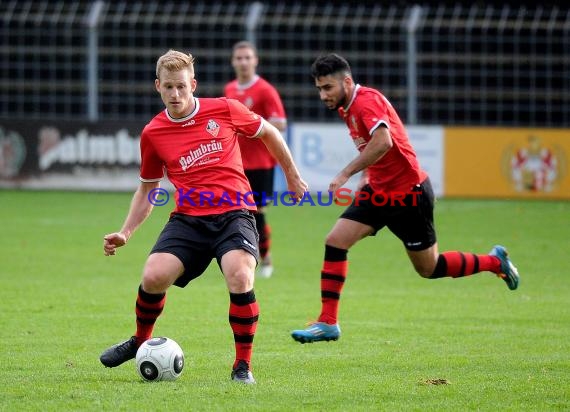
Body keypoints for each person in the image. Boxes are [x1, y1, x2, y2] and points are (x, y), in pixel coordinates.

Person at [98, 49, 307, 384]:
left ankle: (242, 366)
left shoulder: (224, 109)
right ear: (158, 87)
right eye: (168, 87)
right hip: (189, 220)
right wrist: (126, 232)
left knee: (240, 276)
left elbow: (270, 132)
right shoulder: (153, 133)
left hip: (234, 214)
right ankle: (140, 340)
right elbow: (147, 190)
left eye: (181, 86)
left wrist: (292, 175)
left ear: (193, 84)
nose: (176, 94)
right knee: (153, 276)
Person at [291, 53, 520, 344]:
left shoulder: (365, 102)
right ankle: (328, 322)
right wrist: (366, 178)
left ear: (346, 82)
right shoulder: (345, 106)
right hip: (379, 193)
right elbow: (374, 147)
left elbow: (384, 141)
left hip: (408, 195)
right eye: (319, 89)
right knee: (335, 241)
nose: (322, 95)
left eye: (328, 88)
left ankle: (494, 263)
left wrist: (346, 173)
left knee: (429, 268)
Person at [224, 41, 288, 278]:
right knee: (236, 211)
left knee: (257, 212)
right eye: (238, 58)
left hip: (261, 164)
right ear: (233, 62)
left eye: (247, 58)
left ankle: (266, 256)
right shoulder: (230, 88)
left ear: (255, 60)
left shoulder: (265, 90)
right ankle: (242, 256)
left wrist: (252, 124)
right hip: (236, 164)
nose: (243, 62)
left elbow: (280, 123)